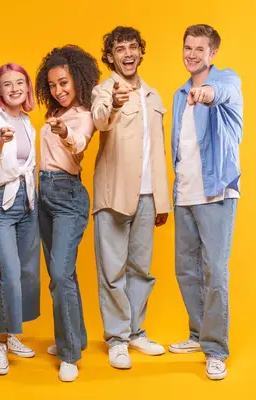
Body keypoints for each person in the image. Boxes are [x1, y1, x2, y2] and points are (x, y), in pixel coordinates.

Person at [91, 26, 171, 370]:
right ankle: (117, 339)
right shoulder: (103, 91)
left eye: (133, 47)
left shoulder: (153, 95)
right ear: (110, 56)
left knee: (141, 268)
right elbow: (99, 121)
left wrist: (162, 199)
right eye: (119, 48)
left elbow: (159, 149)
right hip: (113, 193)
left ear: (140, 52)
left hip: (148, 194)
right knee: (112, 270)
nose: (127, 54)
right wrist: (112, 105)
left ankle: (136, 332)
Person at [169, 24, 243, 381]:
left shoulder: (227, 80)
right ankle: (198, 334)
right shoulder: (179, 94)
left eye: (200, 49)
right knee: (186, 270)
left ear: (212, 53)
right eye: (188, 47)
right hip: (185, 194)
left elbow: (224, 92)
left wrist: (208, 93)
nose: (192, 54)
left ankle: (216, 349)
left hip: (216, 193)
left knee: (215, 270)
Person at [34, 45, 100, 382]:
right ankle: (71, 338)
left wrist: (64, 132)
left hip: (67, 196)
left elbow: (79, 142)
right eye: (54, 85)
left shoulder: (83, 115)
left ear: (78, 80)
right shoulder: (50, 116)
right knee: (62, 275)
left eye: (65, 83)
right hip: (43, 194)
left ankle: (70, 354)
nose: (59, 90)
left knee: (60, 274)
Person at [0, 63, 41, 376]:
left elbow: (30, 166)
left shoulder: (29, 123)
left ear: (27, 88)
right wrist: (0, 141)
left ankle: (13, 333)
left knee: (28, 272)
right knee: (9, 273)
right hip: (1, 205)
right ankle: (1, 344)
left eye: (20, 83)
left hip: (28, 204)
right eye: (7, 84)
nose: (15, 88)